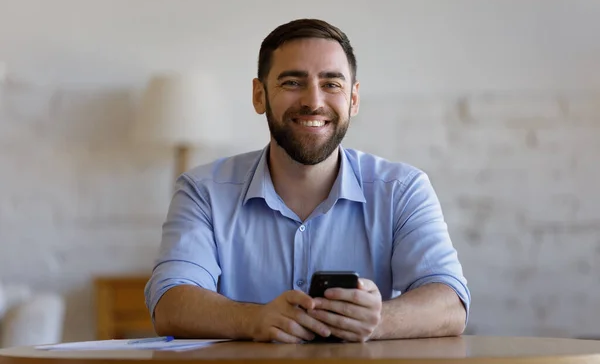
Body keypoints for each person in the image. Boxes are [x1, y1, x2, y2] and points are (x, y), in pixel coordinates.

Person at [144, 18, 470, 343]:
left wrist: (378, 320)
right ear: (259, 96)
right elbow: (170, 304)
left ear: (353, 99)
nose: (313, 101)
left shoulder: (402, 190)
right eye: (292, 83)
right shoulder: (203, 191)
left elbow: (450, 304)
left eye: (331, 84)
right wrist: (255, 319)